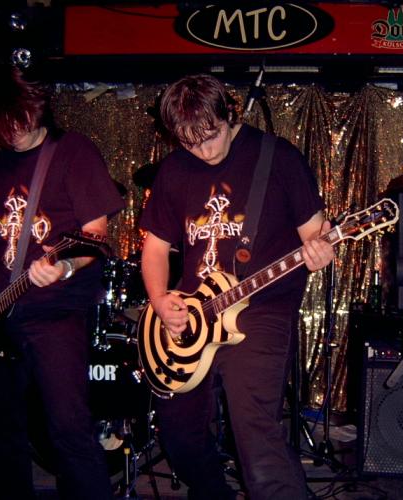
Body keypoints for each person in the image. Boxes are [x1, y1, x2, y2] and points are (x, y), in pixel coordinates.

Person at [139, 74, 334, 499]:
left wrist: (322, 248)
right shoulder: (174, 169)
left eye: (210, 136)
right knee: (178, 432)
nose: (204, 151)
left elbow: (317, 233)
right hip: (194, 316)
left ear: (230, 113)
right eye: (190, 143)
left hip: (262, 309)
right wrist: (159, 299)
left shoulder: (277, 157)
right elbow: (154, 248)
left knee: (254, 429)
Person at [0, 65, 124, 499]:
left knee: (68, 428)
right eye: (0, 124)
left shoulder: (73, 152)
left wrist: (65, 267)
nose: (12, 131)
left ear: (35, 105)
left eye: (17, 118)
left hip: (58, 311)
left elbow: (96, 233)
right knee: (1, 432)